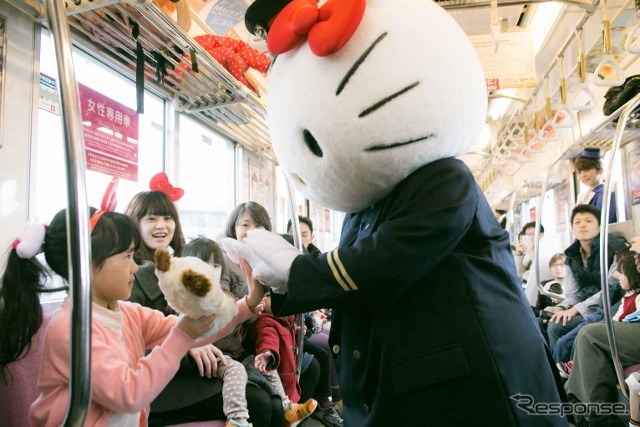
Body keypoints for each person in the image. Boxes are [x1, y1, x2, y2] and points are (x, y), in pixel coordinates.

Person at [24, 207, 254, 425]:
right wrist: (183, 337)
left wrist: (247, 306)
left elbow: (189, 329)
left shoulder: (126, 312)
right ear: (87, 263)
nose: (135, 267)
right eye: (127, 257)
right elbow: (129, 393)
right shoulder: (72, 329)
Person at [125, 180, 282, 427]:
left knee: (272, 403)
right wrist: (185, 345)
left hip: (189, 367)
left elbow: (207, 319)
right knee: (259, 403)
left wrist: (250, 303)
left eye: (167, 218)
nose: (161, 226)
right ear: (134, 223)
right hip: (164, 380)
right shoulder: (129, 277)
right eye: (151, 219)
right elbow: (134, 345)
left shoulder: (180, 268)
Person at [182, 237, 319, 427]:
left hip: (236, 352)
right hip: (213, 357)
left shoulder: (225, 295)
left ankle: (288, 409)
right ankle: (237, 418)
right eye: (202, 265)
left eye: (215, 266)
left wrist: (256, 309)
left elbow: (244, 319)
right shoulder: (185, 299)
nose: (210, 271)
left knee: (266, 368)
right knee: (236, 370)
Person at [541, 205, 628, 355]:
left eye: (588, 221)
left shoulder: (616, 249)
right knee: (540, 322)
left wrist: (575, 310)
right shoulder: (571, 256)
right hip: (586, 305)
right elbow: (574, 294)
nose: (582, 225)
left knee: (557, 326)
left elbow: (610, 289)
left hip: (609, 306)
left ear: (599, 225)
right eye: (577, 222)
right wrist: (561, 308)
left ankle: (566, 373)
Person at [575, 147, 617, 223]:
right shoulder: (587, 195)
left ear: (600, 170)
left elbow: (602, 224)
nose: (582, 175)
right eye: (579, 172)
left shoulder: (605, 194)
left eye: (586, 170)